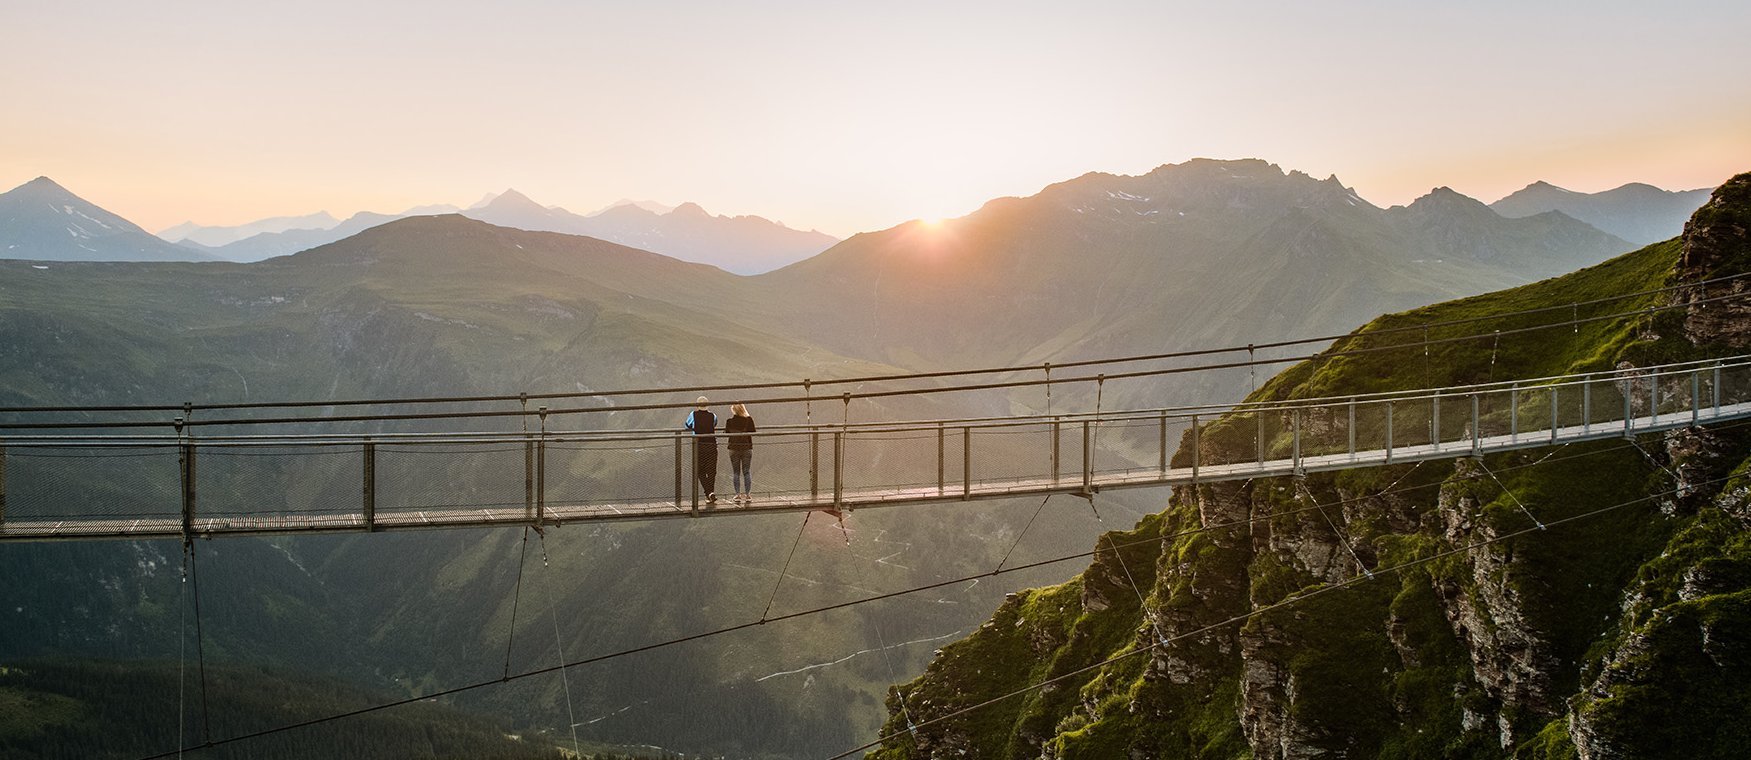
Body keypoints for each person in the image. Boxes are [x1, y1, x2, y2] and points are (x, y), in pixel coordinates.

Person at [684, 396, 719, 503]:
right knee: (711, 471)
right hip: (712, 444)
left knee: (700, 471)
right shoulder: (713, 415)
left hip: (699, 445)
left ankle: (709, 493)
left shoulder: (693, 414)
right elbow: (714, 424)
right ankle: (710, 493)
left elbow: (687, 425)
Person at [725, 402, 756, 502]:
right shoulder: (748, 420)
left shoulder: (729, 421)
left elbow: (727, 432)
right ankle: (747, 495)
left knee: (736, 472)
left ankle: (737, 495)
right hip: (746, 448)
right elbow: (753, 431)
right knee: (746, 471)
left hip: (733, 448)